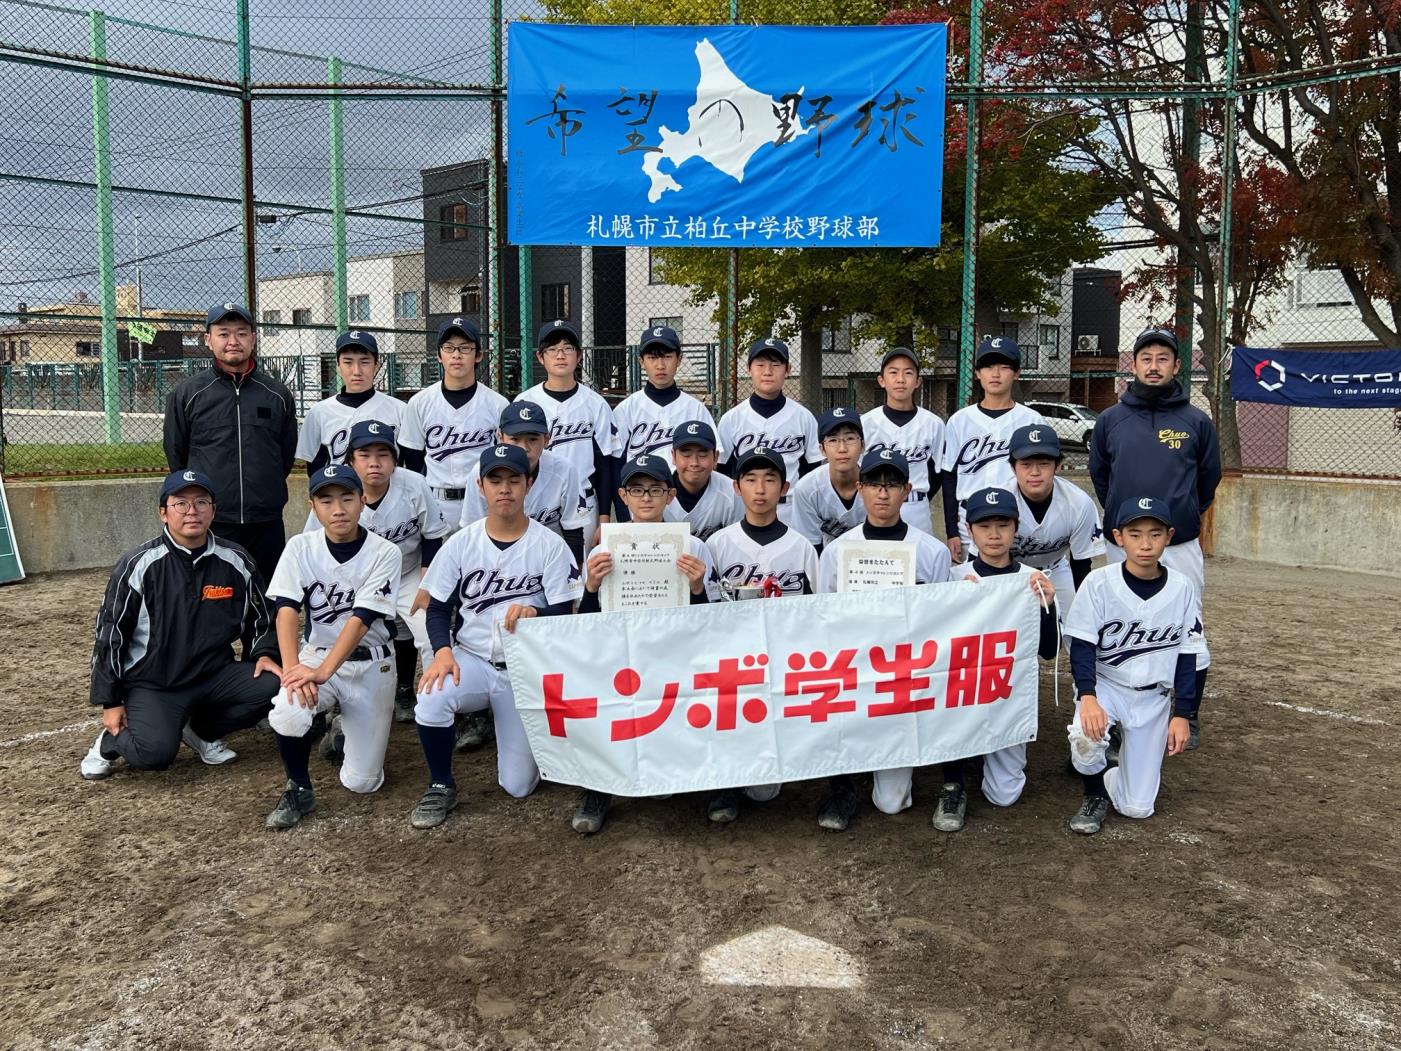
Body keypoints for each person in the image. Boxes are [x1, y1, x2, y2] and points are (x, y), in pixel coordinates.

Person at [408, 444, 583, 829]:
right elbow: (438, 608)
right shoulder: (461, 542)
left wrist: (537, 611)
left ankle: (531, 748)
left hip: (525, 671)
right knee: (432, 696)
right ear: (481, 487)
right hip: (471, 659)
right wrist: (442, 653)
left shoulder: (549, 545)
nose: (505, 488)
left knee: (518, 786)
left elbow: (568, 611)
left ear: (529, 485)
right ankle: (440, 783)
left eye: (514, 480)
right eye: (495, 480)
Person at [81, 469, 281, 781]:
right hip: (156, 682)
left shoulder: (236, 560)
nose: (192, 511)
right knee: (155, 754)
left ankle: (200, 731)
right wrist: (111, 700)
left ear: (213, 510)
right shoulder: (138, 564)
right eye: (181, 504)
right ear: (163, 512)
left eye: (202, 502)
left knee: (276, 685)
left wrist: (264, 653)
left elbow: (263, 618)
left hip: (213, 675)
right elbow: (110, 634)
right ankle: (109, 743)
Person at [571, 453, 722, 835]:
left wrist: (698, 588)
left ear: (670, 495)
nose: (646, 498)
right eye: (637, 489)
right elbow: (586, 625)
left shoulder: (692, 546)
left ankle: (706, 780)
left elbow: (712, 624)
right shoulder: (602, 550)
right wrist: (590, 586)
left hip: (676, 652)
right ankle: (597, 789)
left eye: (655, 489)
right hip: (620, 654)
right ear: (622, 495)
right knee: (599, 699)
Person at [1089, 327, 1220, 749]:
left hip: (1178, 542)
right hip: (1123, 541)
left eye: (1163, 358)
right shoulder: (1111, 419)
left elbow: (1208, 479)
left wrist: (1177, 518)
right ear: (1134, 365)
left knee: (1186, 624)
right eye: (1146, 358)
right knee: (1119, 623)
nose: (1153, 365)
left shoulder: (1196, 421)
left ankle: (1188, 712)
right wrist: (1127, 523)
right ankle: (1116, 711)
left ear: (1177, 366)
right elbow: (1101, 476)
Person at [814, 449, 952, 830]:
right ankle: (842, 785)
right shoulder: (838, 551)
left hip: (904, 680)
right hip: (852, 676)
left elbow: (946, 622)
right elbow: (823, 620)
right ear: (860, 488)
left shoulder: (933, 552)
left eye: (893, 485)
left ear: (907, 490)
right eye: (875, 483)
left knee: (891, 803)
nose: (883, 493)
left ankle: (881, 763)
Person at [262, 464, 403, 828]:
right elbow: (287, 611)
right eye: (326, 500)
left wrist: (323, 673)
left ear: (362, 502)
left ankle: (339, 730)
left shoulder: (385, 552)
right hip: (316, 656)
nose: (338, 508)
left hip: (372, 663)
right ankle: (299, 788)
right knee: (288, 712)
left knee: (362, 783)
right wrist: (295, 670)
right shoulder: (300, 547)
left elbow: (362, 619)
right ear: (312, 506)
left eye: (347, 498)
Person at [1063, 497, 1204, 835]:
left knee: (1137, 809)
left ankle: (1114, 777)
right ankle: (1094, 794)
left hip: (1153, 697)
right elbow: (1081, 647)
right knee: (1085, 739)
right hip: (1106, 685)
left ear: (1169, 536)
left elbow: (1190, 655)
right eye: (1135, 533)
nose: (1145, 543)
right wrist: (1088, 697)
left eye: (1154, 534)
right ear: (1118, 536)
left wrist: (1183, 714)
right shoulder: (1099, 583)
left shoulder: (1183, 588)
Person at [931, 487, 1059, 833]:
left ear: (1015, 528)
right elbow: (933, 652)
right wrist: (956, 606)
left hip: (1006, 694)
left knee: (1005, 795)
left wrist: (1047, 607)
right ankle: (953, 780)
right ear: (969, 529)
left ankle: (983, 752)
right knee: (950, 701)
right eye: (984, 525)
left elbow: (1048, 651)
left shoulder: (1032, 580)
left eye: (1002, 524)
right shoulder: (954, 579)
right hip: (960, 693)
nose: (994, 534)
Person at [703, 447, 818, 823]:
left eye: (770, 479)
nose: (760, 488)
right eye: (750, 479)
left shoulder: (801, 547)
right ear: (736, 487)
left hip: (782, 657)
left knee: (766, 791)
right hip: (729, 659)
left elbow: (814, 614)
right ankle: (724, 784)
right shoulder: (717, 544)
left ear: (784, 487)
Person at [310, 421, 449, 726]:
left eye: (383, 454)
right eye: (364, 454)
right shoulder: (336, 493)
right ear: (350, 460)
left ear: (395, 460)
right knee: (341, 633)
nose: (374, 462)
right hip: (354, 582)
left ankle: (435, 704)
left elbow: (433, 534)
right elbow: (313, 547)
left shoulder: (413, 484)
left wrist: (429, 581)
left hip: (409, 572)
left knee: (429, 632)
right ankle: (329, 699)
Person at [164, 302, 297, 585]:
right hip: (213, 519)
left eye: (241, 333)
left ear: (253, 338)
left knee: (267, 595)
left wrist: (264, 489)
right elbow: (177, 455)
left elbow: (284, 455)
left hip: (265, 519)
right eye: (223, 333)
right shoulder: (188, 393)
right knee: (214, 598)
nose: (233, 341)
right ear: (208, 340)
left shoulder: (277, 394)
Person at [939, 335, 1047, 563]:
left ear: (1017, 373)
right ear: (977, 373)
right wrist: (951, 531)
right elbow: (949, 477)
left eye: (1004, 367)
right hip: (970, 520)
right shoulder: (960, 421)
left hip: (1017, 517)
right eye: (988, 366)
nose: (995, 374)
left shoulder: (1031, 420)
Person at [398, 317, 509, 531]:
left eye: (465, 348)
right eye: (449, 348)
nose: (456, 355)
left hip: (482, 501)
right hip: (436, 500)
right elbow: (412, 461)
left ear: (478, 355)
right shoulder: (420, 403)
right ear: (439, 355)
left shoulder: (497, 404)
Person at [515, 319, 620, 544]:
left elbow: (604, 464)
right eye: (552, 349)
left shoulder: (595, 403)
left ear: (579, 356)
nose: (560, 355)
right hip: (535, 500)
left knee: (580, 574)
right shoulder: (525, 401)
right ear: (540, 357)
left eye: (567, 348)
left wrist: (604, 519)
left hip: (584, 501)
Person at [459, 401, 591, 564]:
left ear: (547, 439)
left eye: (532, 439)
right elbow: (472, 534)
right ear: (500, 438)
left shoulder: (565, 470)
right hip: (496, 558)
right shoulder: (482, 472)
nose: (524, 447)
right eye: (515, 439)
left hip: (550, 557)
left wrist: (574, 578)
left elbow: (573, 531)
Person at [611, 325, 722, 515]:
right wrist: (622, 511)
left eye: (667, 356)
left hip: (685, 502)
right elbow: (616, 464)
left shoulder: (694, 408)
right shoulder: (626, 409)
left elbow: (713, 460)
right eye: (653, 357)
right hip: (640, 503)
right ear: (641, 361)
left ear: (679, 359)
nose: (660, 365)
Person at [717, 338, 822, 509]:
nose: (768, 371)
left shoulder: (804, 417)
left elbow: (812, 471)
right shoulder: (731, 419)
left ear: (788, 370)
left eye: (775, 364)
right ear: (749, 369)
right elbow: (723, 472)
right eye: (760, 365)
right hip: (745, 507)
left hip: (792, 506)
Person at [1005, 424, 1105, 602]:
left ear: (1057, 465)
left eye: (1044, 464)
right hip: (1009, 571)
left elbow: (1081, 563)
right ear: (1013, 468)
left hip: (1056, 569)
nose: (1035, 472)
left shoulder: (1079, 503)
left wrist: (1083, 605)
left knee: (1071, 624)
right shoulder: (1000, 500)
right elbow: (980, 558)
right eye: (1026, 464)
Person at [859, 347, 946, 536]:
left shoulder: (934, 424)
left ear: (918, 381)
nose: (900, 379)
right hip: (875, 508)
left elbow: (937, 473)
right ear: (881, 380)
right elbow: (858, 472)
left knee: (919, 562)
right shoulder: (865, 423)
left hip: (917, 507)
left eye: (908, 373)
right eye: (893, 372)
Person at [294, 330, 405, 473]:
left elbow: (407, 464)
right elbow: (315, 468)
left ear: (376, 365)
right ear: (338, 366)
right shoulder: (318, 413)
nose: (356, 371)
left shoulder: (400, 410)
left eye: (364, 362)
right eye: (348, 362)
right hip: (339, 494)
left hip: (390, 493)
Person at [790, 407, 867, 552]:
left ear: (862, 445)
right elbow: (810, 547)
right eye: (833, 440)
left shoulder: (876, 485)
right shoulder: (807, 488)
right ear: (822, 449)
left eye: (850, 438)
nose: (842, 448)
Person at [662, 420, 742, 541]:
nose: (694, 463)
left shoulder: (732, 492)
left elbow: (737, 543)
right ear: (673, 456)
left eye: (703, 454)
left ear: (716, 457)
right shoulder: (655, 491)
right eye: (686, 455)